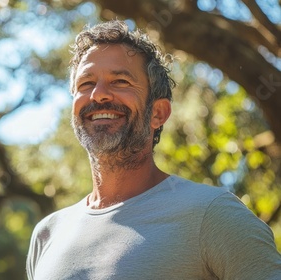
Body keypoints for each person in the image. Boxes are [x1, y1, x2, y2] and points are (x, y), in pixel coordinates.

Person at [26, 20, 281, 279]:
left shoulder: (212, 215)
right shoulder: (47, 234)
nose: (98, 95)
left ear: (158, 113)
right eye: (85, 84)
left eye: (120, 81)